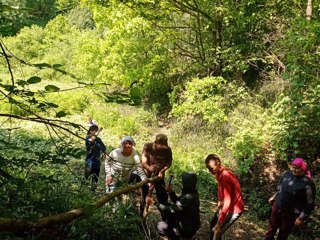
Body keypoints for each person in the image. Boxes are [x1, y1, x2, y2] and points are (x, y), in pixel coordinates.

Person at [262, 157, 316, 240]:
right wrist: (274, 197)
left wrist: (301, 217)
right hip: (277, 206)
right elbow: (280, 188)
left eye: (296, 168)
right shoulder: (286, 174)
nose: (293, 169)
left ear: (302, 169)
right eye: (293, 167)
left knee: (283, 233)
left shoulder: (308, 184)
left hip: (290, 213)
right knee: (272, 227)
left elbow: (310, 203)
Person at [205, 154, 244, 240]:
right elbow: (220, 188)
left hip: (234, 209)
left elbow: (228, 201)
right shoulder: (218, 173)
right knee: (212, 224)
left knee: (215, 232)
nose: (209, 171)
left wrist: (219, 223)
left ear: (218, 163)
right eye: (208, 168)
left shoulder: (226, 176)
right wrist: (219, 200)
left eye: (211, 168)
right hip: (226, 205)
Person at [156, 172, 200, 240]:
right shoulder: (192, 192)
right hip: (189, 224)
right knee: (167, 207)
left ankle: (178, 237)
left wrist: (155, 203)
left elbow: (170, 209)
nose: (182, 182)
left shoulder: (189, 197)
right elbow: (178, 201)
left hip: (187, 229)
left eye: (184, 181)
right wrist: (171, 192)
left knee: (160, 225)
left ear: (187, 182)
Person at [141, 134, 173, 205]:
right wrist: (149, 168)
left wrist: (162, 170)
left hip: (159, 176)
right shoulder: (148, 147)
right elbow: (143, 162)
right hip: (146, 176)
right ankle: (142, 212)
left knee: (162, 195)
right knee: (145, 194)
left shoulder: (167, 150)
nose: (162, 149)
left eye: (163, 147)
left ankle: (164, 210)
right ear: (156, 143)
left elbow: (169, 163)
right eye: (160, 147)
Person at [85, 125, 106, 191]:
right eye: (93, 130)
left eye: (96, 131)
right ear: (90, 131)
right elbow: (89, 143)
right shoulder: (87, 138)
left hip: (97, 160)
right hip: (90, 160)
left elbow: (104, 148)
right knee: (87, 174)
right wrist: (94, 142)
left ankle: (93, 189)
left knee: (96, 175)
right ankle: (85, 189)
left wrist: (98, 145)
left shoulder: (98, 139)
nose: (94, 132)